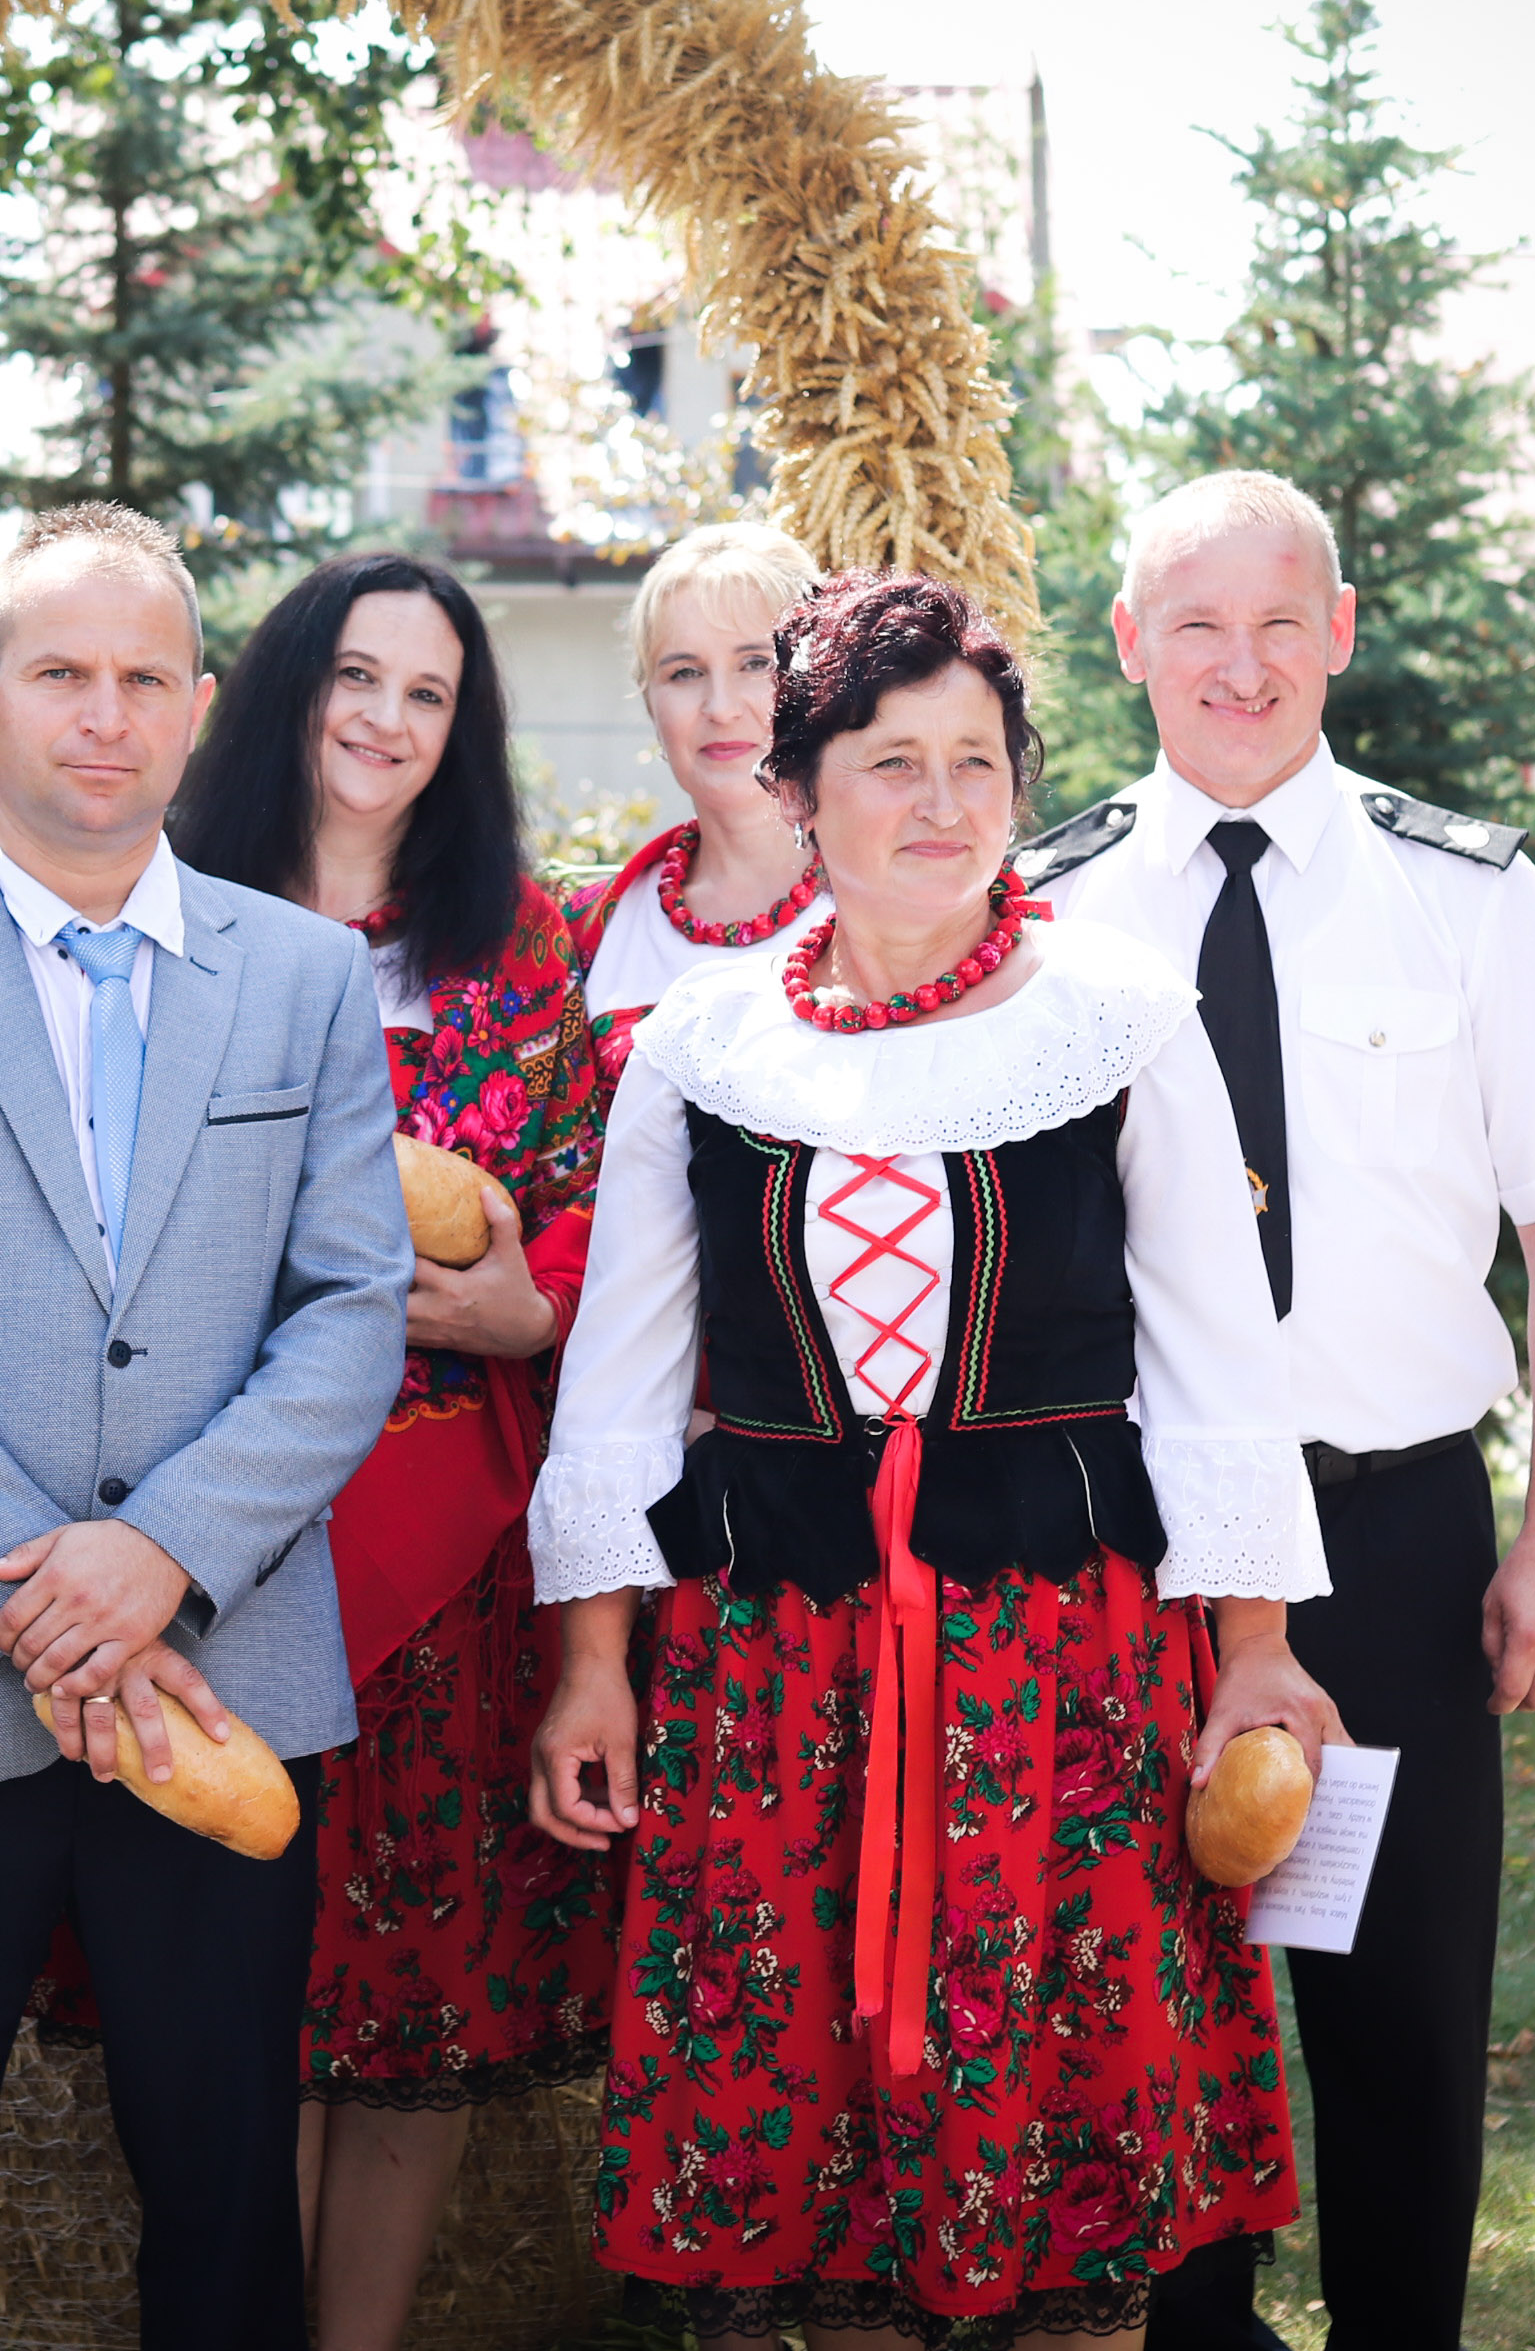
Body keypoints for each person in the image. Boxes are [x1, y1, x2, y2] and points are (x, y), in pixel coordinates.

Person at [525, 566, 1340, 2344]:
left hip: (1058, 1666)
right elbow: (618, 1387)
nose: (944, 804)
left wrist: (1258, 1650)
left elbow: (1218, 1364)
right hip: (777, 1672)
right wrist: (591, 1663)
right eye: (892, 763)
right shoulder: (700, 1044)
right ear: (796, 789)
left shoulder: (1116, 1019)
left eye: (977, 763)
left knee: (1065, 2180)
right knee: (811, 2184)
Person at [1018, 471, 1535, 2351]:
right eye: (1193, 624)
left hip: (1390, 1537)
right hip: (1136, 1549)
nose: (1236, 666)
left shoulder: (1464, 898)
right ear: (1128, 644)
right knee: (1151, 2013)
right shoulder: (1048, 910)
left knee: (1395, 2018)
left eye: (1275, 623)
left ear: (1335, 632)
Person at [0, 500, 412, 2351]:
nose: (102, 715)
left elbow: (350, 1307)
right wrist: (47, 1598)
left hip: (222, 1672)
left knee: (224, 2206)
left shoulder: (301, 976)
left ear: (198, 706)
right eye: (58, 673)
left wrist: (164, 1556)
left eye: (141, 677)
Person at [163, 550, 609, 2349]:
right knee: (242, 1980)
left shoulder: (522, 950)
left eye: (428, 694)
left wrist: (525, 1306)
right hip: (223, 1525)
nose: (385, 720)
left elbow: (588, 1204)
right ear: (291, 684)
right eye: (357, 676)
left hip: (450, 1548)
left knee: (416, 1995)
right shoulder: (170, 908)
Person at [565, 520, 826, 1074]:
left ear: (816, 682)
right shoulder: (589, 931)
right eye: (685, 673)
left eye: (756, 664)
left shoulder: (900, 899)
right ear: (650, 704)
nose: (720, 707)